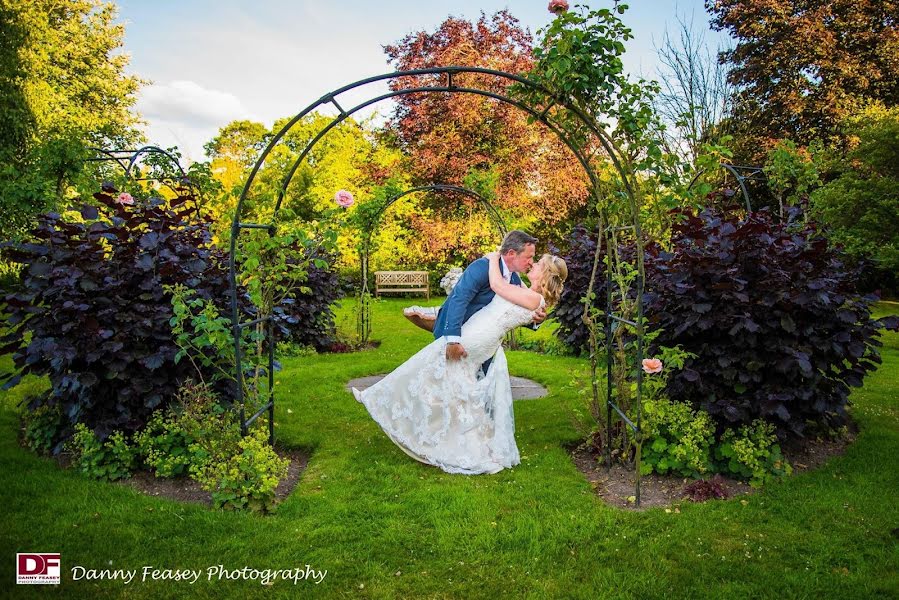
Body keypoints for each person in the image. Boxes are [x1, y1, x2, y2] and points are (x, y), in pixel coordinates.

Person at [352, 249, 568, 475]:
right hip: (484, 339)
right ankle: (462, 437)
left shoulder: (532, 297)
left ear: (544, 274)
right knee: (457, 384)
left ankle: (380, 400)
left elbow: (497, 285)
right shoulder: (528, 292)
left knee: (428, 365)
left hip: (476, 338)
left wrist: (493, 258)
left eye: (537, 264)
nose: (532, 264)